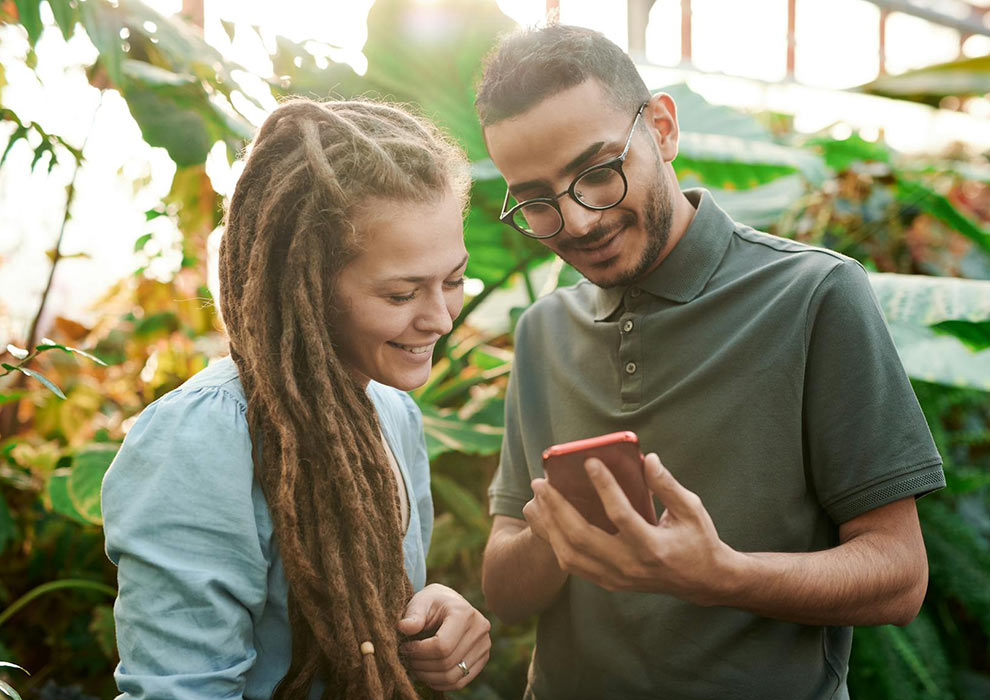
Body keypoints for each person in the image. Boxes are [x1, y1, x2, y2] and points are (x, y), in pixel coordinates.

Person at [476, 24, 945, 700]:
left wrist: (718, 573)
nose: (576, 224)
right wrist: (562, 536)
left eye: (599, 173)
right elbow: (506, 589)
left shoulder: (815, 295)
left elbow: (900, 577)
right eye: (538, 202)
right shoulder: (542, 330)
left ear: (662, 129)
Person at [101, 98, 491, 700]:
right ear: (304, 285)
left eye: (455, 279)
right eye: (400, 294)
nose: (439, 317)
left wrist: (432, 623)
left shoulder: (393, 414)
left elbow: (360, 617)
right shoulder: (203, 440)